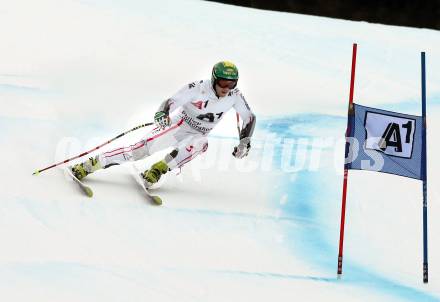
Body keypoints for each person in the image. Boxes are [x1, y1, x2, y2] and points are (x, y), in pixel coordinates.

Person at [71, 61, 256, 188]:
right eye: (223, 82)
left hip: (197, 134)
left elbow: (249, 117)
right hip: (177, 126)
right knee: (138, 152)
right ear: (215, 79)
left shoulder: (234, 96)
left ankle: (157, 170)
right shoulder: (197, 88)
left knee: (202, 144)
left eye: (231, 84)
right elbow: (172, 101)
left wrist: (244, 141)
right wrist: (162, 113)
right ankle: (90, 164)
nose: (226, 88)